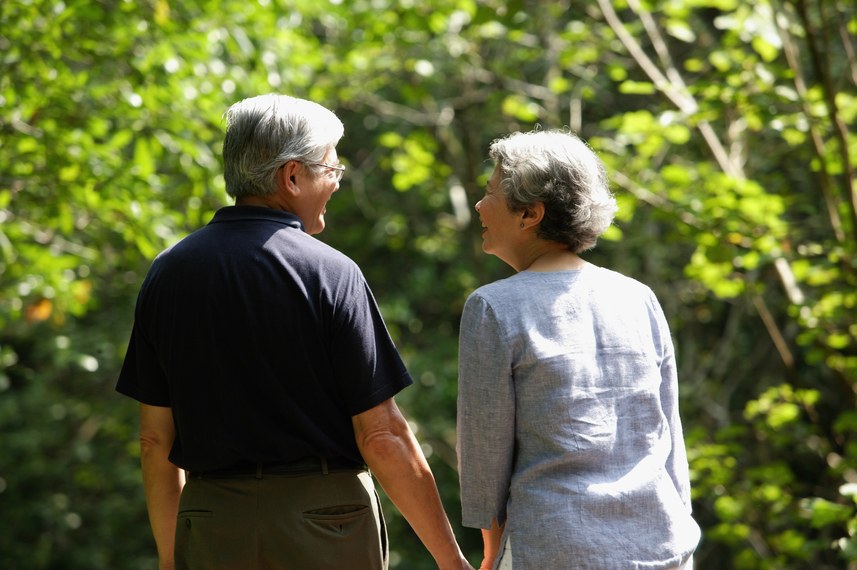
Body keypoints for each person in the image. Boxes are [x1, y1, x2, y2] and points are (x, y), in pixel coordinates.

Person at [117, 93, 473, 570]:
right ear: (291, 176)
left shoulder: (167, 274)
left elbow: (154, 441)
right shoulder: (331, 273)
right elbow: (382, 435)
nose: (337, 183)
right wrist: (453, 562)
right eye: (332, 169)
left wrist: (170, 557)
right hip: (327, 523)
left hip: (210, 523)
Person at [456, 129, 701, 569]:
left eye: (490, 192)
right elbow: (669, 438)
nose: (479, 205)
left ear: (530, 213)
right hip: (662, 548)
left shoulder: (492, 307)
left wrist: (493, 553)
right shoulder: (638, 296)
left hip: (554, 549)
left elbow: (484, 456)